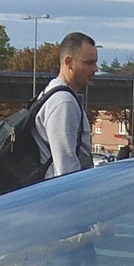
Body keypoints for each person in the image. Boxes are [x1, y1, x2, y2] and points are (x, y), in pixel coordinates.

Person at [38, 33, 97, 178]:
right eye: (88, 63)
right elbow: (65, 169)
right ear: (69, 62)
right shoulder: (64, 102)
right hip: (55, 196)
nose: (95, 68)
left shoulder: (52, 93)